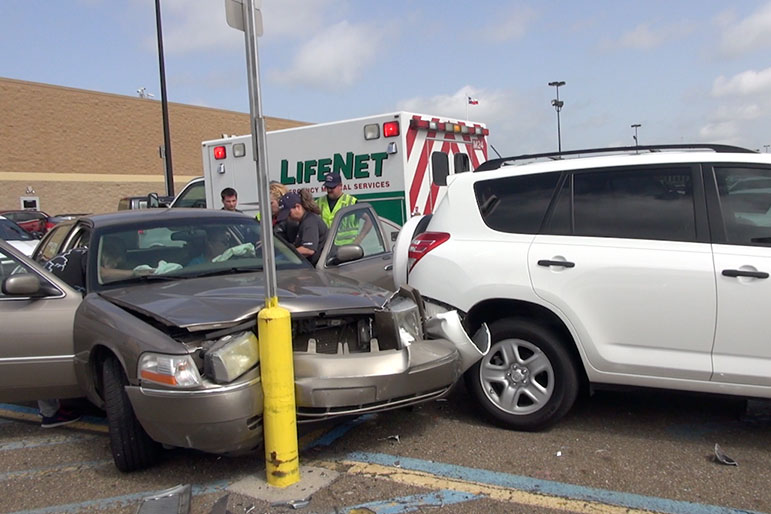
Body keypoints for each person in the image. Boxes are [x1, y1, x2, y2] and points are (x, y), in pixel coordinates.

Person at [38, 246, 87, 428]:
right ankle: (50, 413)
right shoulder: (87, 260)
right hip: (45, 311)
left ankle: (51, 409)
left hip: (50, 309)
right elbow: (106, 271)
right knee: (43, 358)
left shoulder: (78, 255)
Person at [278, 191, 328, 265]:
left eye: (289, 213)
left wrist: (285, 254)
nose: (288, 217)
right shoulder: (304, 221)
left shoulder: (310, 221)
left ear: (298, 207)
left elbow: (308, 250)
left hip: (317, 269)